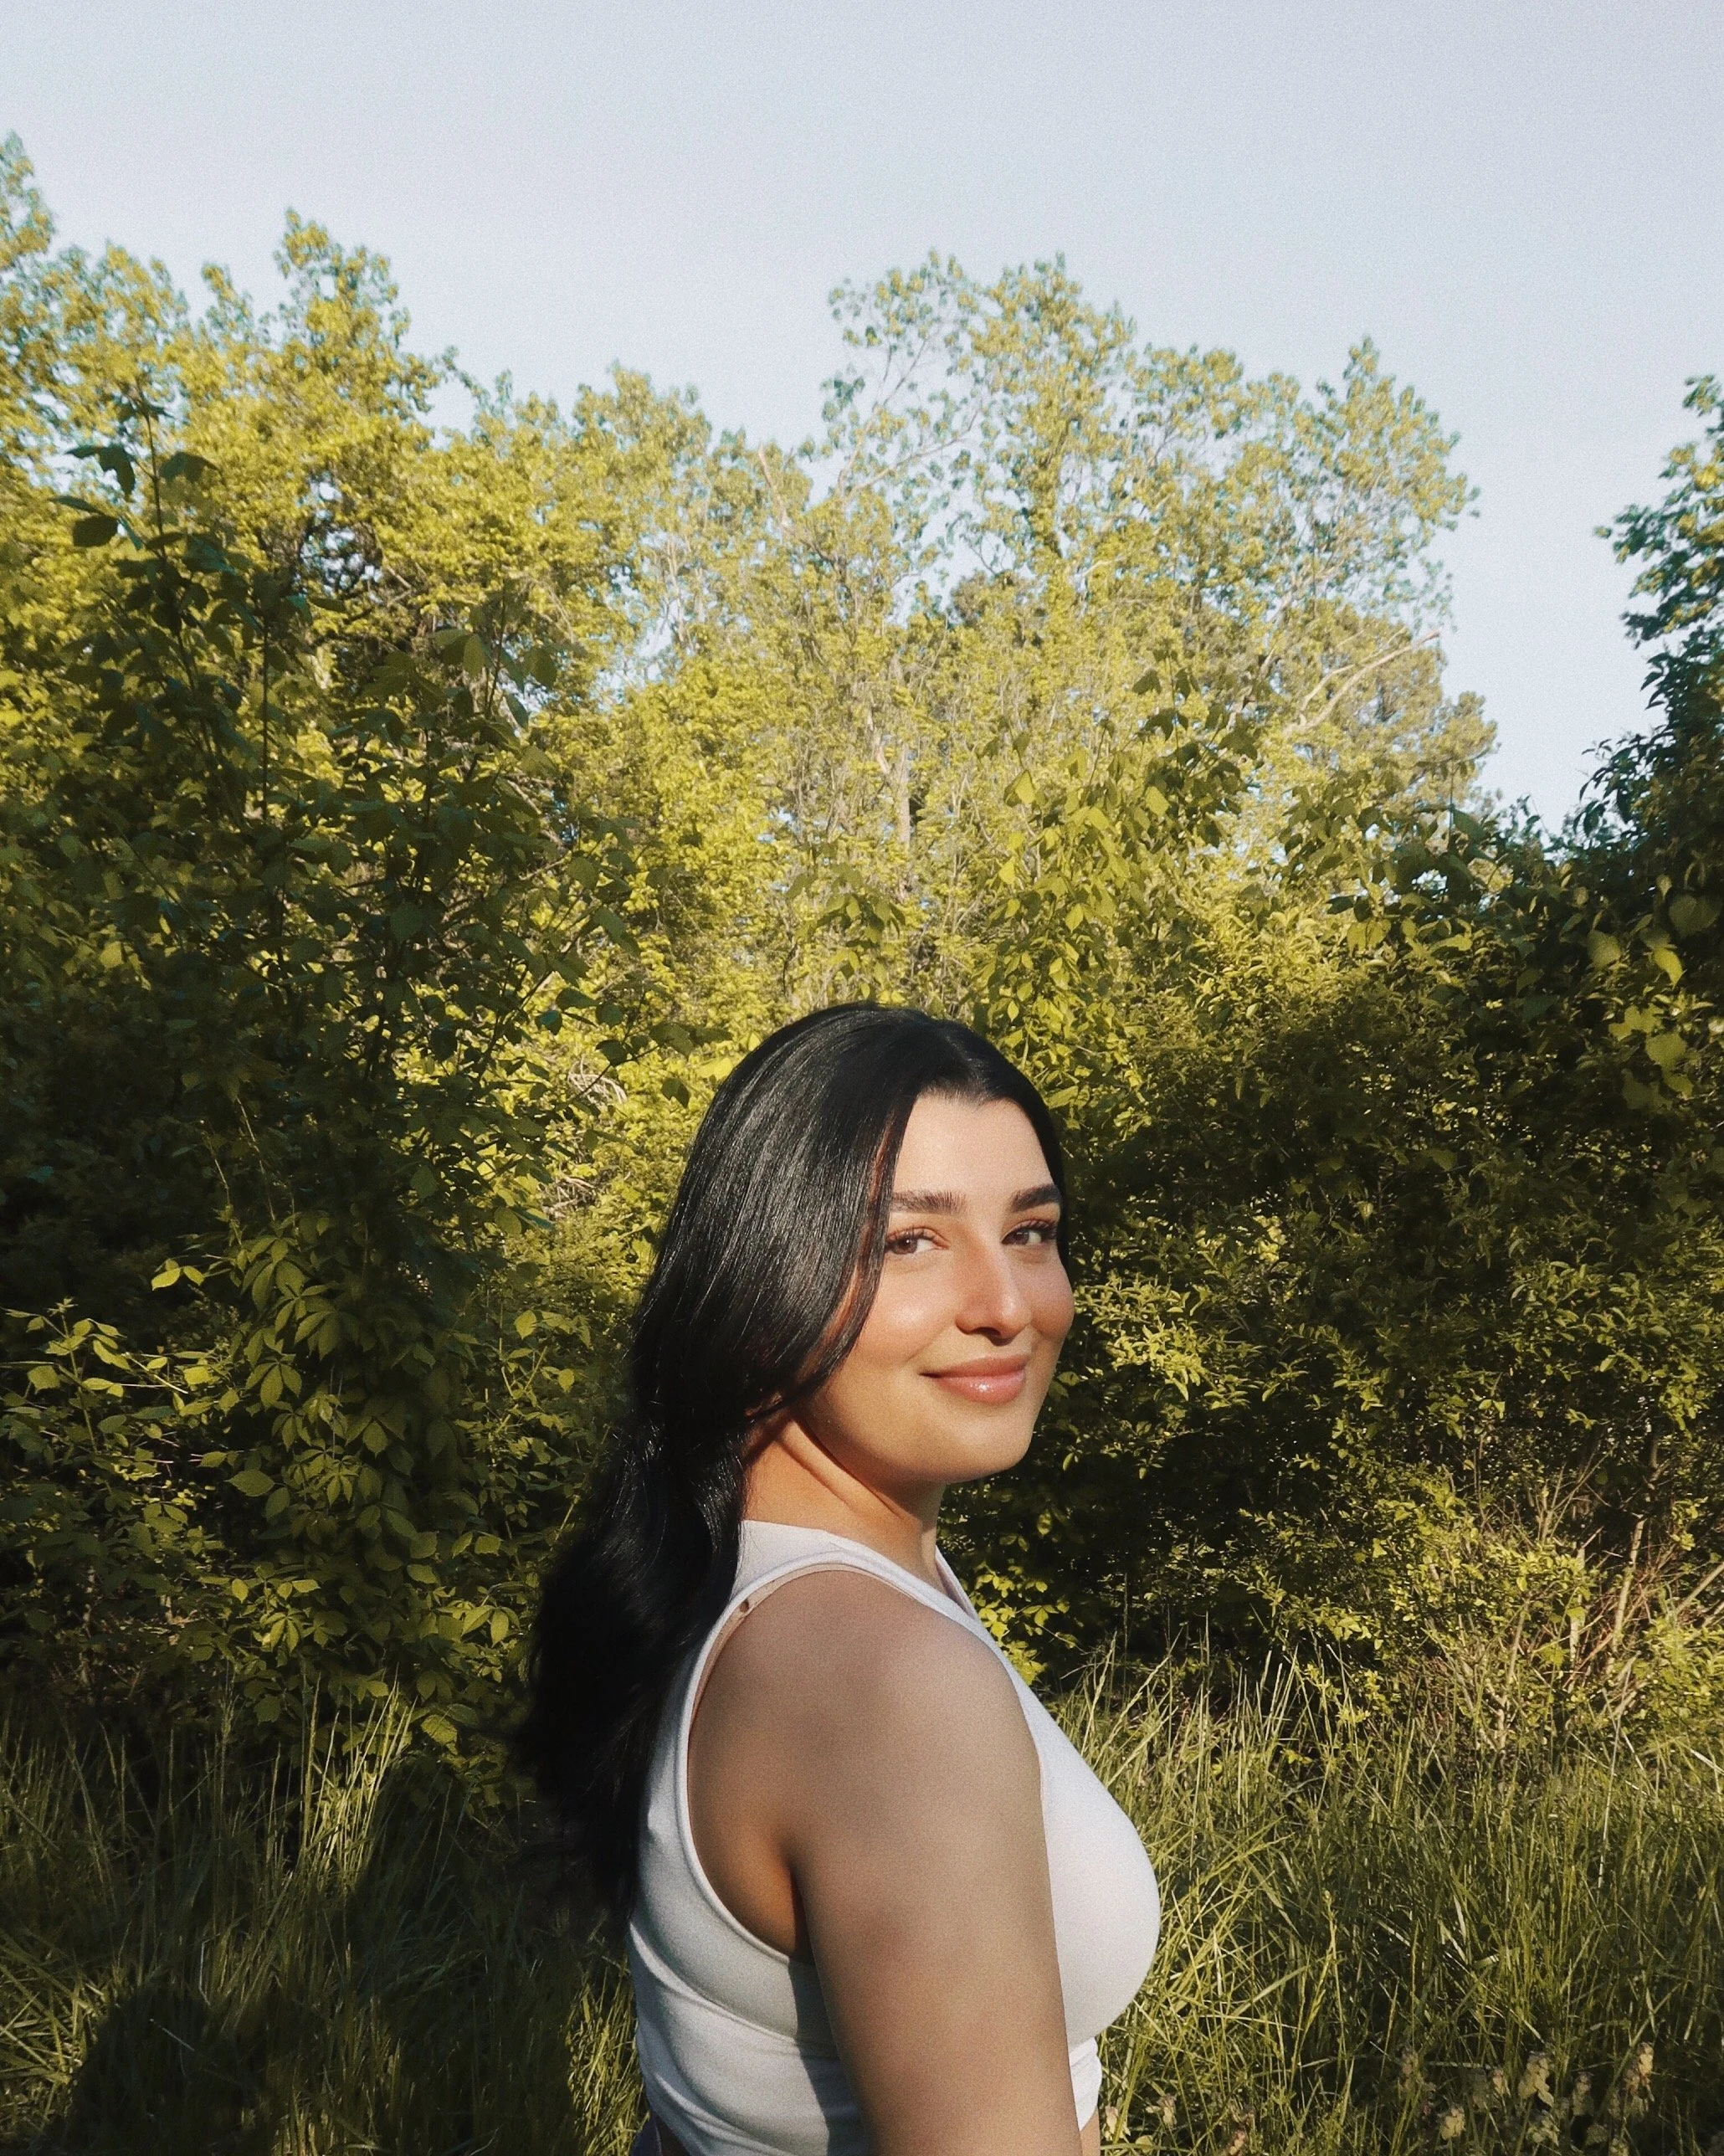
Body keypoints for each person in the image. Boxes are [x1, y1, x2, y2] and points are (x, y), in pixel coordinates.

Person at [518, 1004, 1160, 2156]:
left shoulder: (752, 1571)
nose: (1008, 1307)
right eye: (909, 1242)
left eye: (1032, 1232)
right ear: (763, 1278)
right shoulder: (884, 1684)